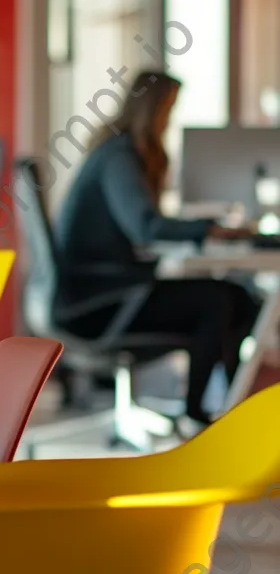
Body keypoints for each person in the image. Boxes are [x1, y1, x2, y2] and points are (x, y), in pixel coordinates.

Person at [54, 69, 260, 427]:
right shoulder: (119, 157)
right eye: (168, 110)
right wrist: (208, 229)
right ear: (151, 110)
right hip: (103, 303)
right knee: (222, 301)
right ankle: (198, 417)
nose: (170, 121)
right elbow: (145, 226)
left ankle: (230, 415)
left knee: (239, 300)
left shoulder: (114, 151)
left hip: (100, 294)